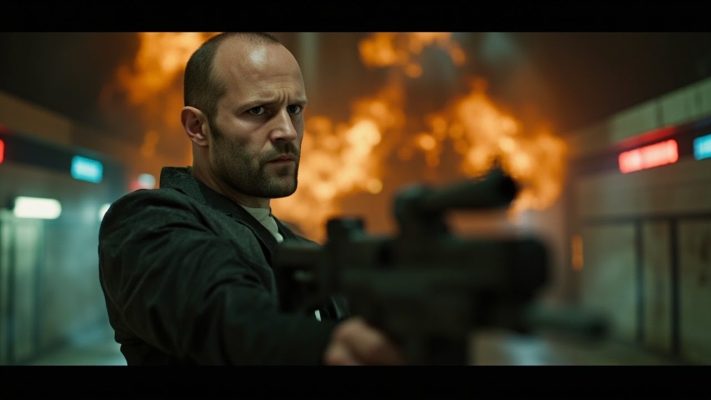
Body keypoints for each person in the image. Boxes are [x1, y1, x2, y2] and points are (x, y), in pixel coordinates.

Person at [98, 32, 403, 365]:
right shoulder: (145, 221)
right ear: (198, 127)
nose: (287, 131)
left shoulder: (298, 245)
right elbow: (222, 311)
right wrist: (327, 347)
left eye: (295, 109)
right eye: (258, 110)